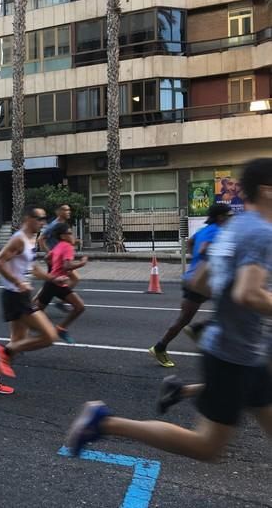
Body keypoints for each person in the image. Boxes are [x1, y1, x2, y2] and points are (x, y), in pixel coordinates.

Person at [65, 158, 272, 462]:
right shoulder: (261, 233)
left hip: (241, 350)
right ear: (267, 191)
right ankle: (104, 422)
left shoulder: (235, 227)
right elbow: (248, 294)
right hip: (234, 356)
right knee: (206, 446)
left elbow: (200, 283)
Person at [0, 206, 62, 394]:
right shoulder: (18, 239)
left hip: (21, 295)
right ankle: (4, 351)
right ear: (28, 218)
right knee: (50, 336)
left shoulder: (30, 239)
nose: (43, 222)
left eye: (44, 219)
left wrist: (52, 278)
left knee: (18, 340)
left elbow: (32, 268)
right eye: (39, 218)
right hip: (15, 296)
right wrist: (17, 282)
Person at [148, 203, 233, 367]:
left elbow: (190, 242)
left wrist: (195, 259)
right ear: (221, 217)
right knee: (231, 308)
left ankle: (162, 346)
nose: (231, 219)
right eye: (229, 216)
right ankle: (196, 329)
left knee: (184, 320)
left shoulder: (204, 230)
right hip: (203, 282)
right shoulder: (219, 232)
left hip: (194, 280)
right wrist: (210, 260)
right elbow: (203, 249)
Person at [33, 223, 87, 344]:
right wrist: (82, 263)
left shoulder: (59, 246)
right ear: (62, 236)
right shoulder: (67, 247)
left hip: (55, 283)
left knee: (37, 311)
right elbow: (67, 266)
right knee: (79, 307)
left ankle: (59, 329)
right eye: (69, 233)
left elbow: (47, 258)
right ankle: (58, 329)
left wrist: (54, 267)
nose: (72, 235)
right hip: (55, 283)